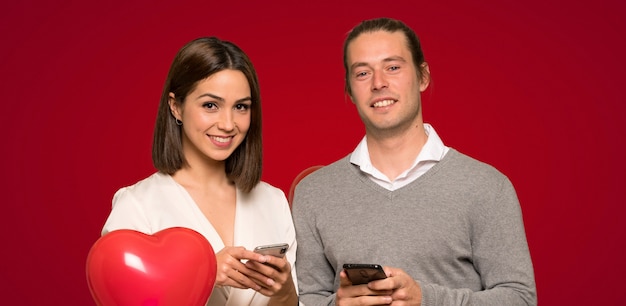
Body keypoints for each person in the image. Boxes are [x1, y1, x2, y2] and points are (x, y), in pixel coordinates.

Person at [292, 17, 537, 305]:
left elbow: (520, 299)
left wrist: (425, 299)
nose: (379, 83)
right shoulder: (314, 194)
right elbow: (306, 299)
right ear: (349, 91)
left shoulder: (487, 188)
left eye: (393, 67)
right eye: (362, 73)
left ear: (423, 77)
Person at [101, 37, 300, 306]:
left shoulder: (272, 201)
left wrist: (284, 291)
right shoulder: (137, 205)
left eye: (241, 107)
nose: (228, 124)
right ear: (176, 107)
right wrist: (201, 275)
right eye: (210, 105)